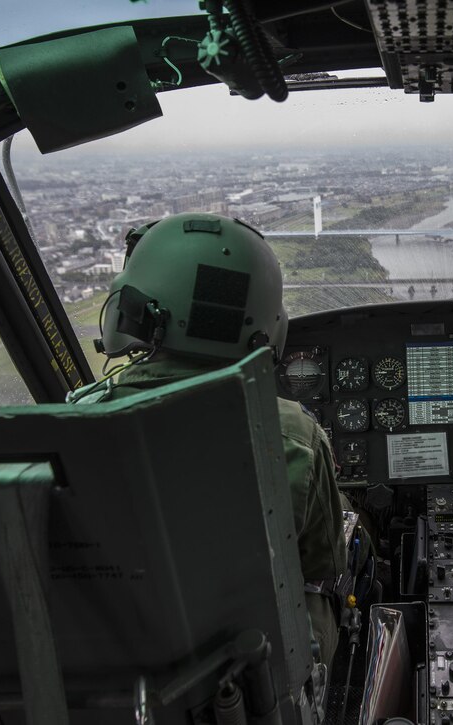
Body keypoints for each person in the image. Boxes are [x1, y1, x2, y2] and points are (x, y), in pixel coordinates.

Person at [71, 212, 350, 668]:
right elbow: (325, 564)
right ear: (267, 327)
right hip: (248, 674)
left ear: (132, 309)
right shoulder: (291, 432)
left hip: (114, 662)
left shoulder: (75, 420)